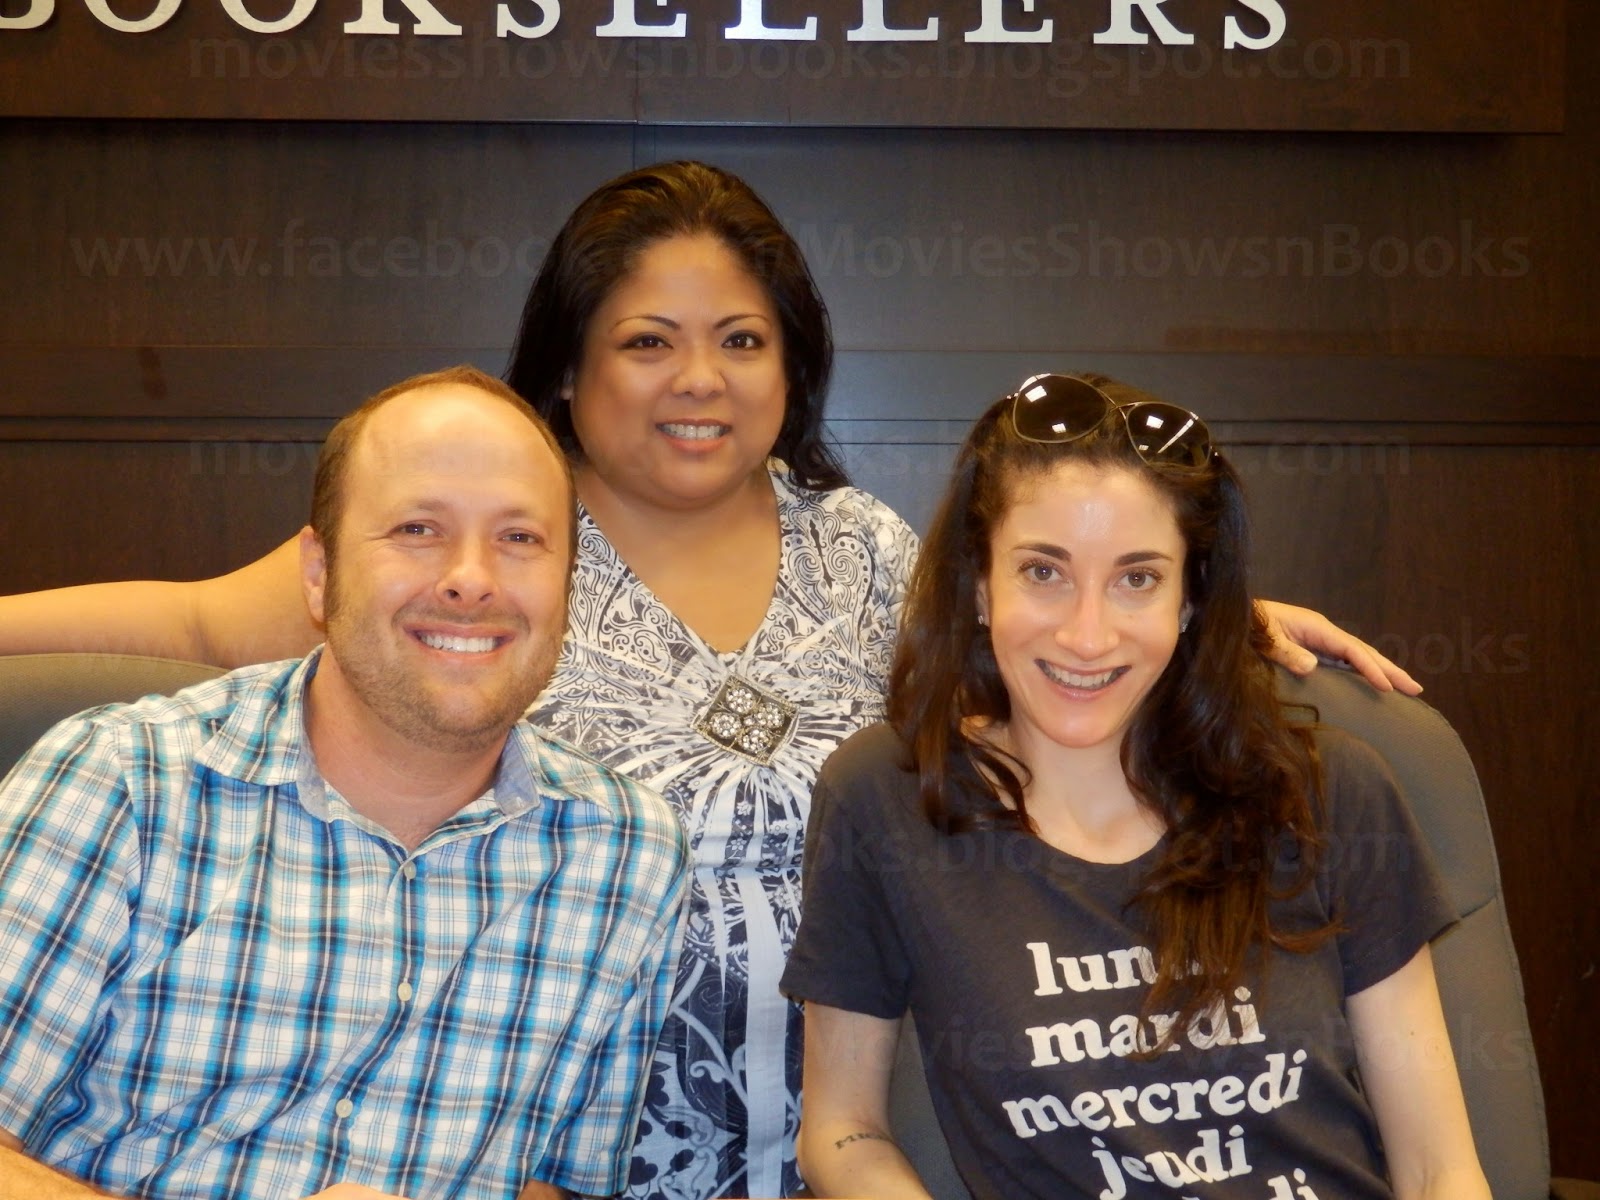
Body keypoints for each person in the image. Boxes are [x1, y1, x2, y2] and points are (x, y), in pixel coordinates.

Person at [0, 164, 1418, 1200]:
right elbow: (195, 622)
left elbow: (1038, 642)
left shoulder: (860, 552)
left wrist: (1208, 611)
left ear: (793, 368)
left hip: (837, 1137)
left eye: (741, 340)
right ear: (568, 366)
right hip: (578, 1145)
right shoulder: (485, 531)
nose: (701, 379)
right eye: (647, 340)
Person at [781, 373, 1489, 1200]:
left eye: (1138, 579)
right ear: (978, 584)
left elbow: (1439, 1168)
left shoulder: (1328, 791)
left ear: (1190, 598)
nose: (1088, 636)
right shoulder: (886, 798)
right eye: (1043, 571)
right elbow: (842, 1130)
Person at [0, 366, 689, 1200]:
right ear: (318, 574)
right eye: (418, 529)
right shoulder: (124, 783)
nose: (472, 577)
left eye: (519, 538)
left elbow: (561, 1184)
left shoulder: (627, 852)